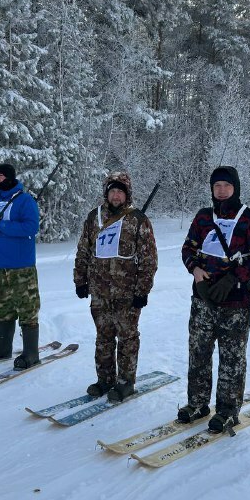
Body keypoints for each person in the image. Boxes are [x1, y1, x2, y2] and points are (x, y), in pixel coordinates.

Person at [178, 166, 250, 433]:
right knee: (199, 354)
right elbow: (188, 248)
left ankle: (228, 411)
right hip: (202, 301)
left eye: (226, 186)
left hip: (235, 303)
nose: (221, 190)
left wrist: (234, 278)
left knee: (231, 359)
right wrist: (195, 269)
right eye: (216, 185)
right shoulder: (203, 217)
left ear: (235, 188)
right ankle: (197, 403)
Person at [74, 171, 157, 402]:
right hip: (99, 293)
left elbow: (149, 258)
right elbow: (83, 251)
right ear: (107, 193)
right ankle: (105, 379)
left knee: (128, 338)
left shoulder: (138, 220)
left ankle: (125, 382)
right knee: (103, 338)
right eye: (113, 191)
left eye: (120, 191)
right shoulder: (94, 218)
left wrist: (142, 290)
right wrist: (80, 280)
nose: (116, 195)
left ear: (127, 194)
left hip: (127, 293)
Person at [0, 164, 41, 369]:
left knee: (27, 307)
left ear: (10, 178)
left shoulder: (25, 200)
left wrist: (1, 226)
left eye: (1, 175)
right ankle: (2, 348)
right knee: (1, 307)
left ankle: (31, 354)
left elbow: (31, 227)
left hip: (21, 265)